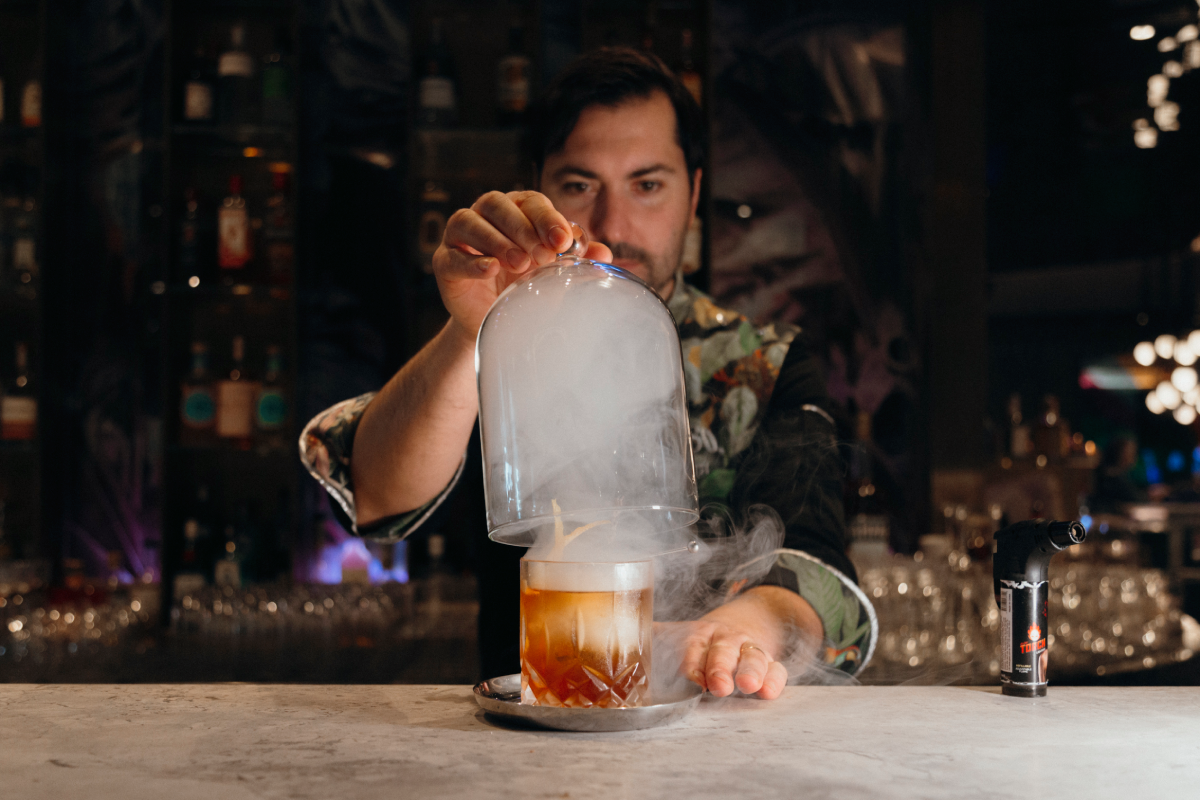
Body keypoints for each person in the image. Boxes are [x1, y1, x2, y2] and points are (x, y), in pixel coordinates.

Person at [301, 47, 876, 699]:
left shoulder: (763, 363)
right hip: (530, 728)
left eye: (647, 185)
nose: (612, 224)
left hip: (725, 729)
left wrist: (744, 626)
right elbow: (377, 499)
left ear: (693, 196)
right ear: (538, 190)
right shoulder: (499, 339)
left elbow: (821, 570)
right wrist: (472, 332)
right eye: (579, 186)